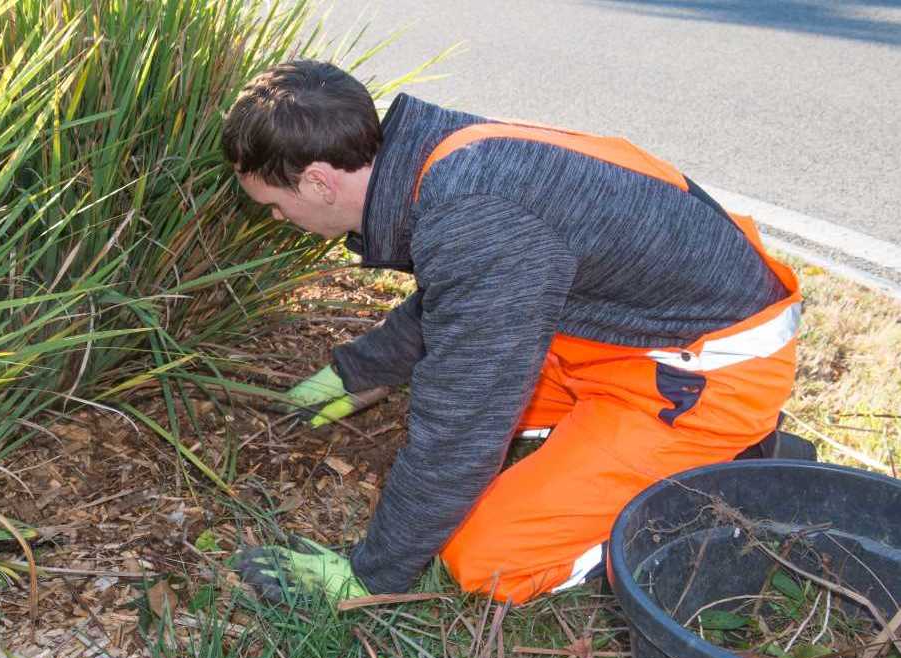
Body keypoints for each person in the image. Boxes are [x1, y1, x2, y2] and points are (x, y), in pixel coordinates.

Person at [225, 60, 802, 605]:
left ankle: (718, 487)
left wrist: (369, 574)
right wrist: (352, 374)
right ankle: (610, 444)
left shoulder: (476, 217)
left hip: (705, 371)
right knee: (476, 396)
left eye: (274, 206)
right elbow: (456, 304)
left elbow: (461, 425)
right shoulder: (433, 154)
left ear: (320, 183)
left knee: (487, 557)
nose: (279, 220)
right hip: (619, 328)